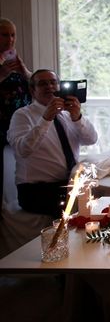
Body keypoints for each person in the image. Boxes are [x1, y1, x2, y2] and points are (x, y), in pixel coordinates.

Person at [7, 69, 98, 218]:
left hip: (69, 183)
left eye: (53, 82)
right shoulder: (22, 115)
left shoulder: (68, 114)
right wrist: (46, 119)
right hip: (36, 190)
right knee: (83, 210)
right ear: (32, 90)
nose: (49, 87)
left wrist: (78, 117)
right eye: (42, 84)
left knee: (100, 198)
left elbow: (92, 139)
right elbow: (23, 150)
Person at [0, 18, 32, 216]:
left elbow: (32, 84)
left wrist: (23, 71)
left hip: (21, 128)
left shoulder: (14, 60)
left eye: (13, 35)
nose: (10, 39)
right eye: (5, 35)